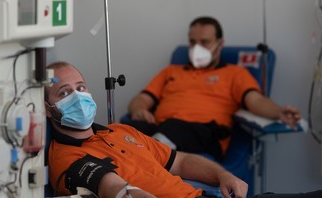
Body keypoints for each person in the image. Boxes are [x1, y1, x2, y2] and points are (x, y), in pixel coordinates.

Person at [45, 61, 322, 198]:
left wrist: (222, 176)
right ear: (48, 109)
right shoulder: (68, 157)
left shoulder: (121, 131)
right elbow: (113, 188)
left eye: (81, 87)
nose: (78, 97)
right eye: (65, 93)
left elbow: (180, 162)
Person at [127, 16, 301, 161]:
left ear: (220, 44)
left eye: (205, 42)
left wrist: (278, 112)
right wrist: (139, 110)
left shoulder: (235, 73)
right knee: (128, 129)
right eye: (193, 42)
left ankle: (146, 161)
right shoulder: (171, 71)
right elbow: (141, 99)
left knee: (173, 129)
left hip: (207, 135)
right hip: (163, 129)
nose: (197, 48)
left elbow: (256, 101)